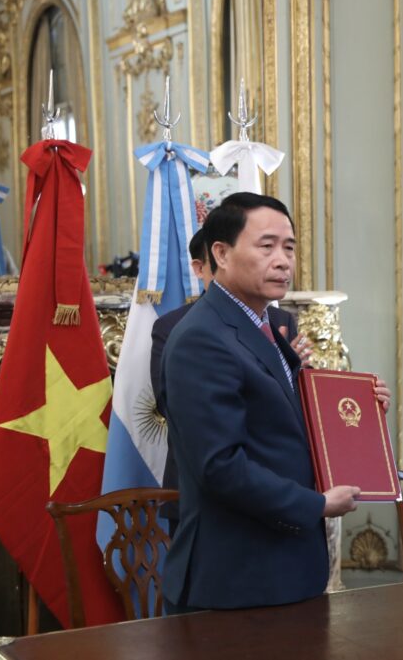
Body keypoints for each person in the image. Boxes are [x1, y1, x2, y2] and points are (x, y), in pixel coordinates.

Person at [161, 191, 390, 612]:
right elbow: (220, 465)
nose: (283, 260)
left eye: (289, 247)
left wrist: (358, 417)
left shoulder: (262, 324)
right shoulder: (203, 338)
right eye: (266, 246)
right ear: (222, 254)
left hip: (282, 569)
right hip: (235, 581)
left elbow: (283, 426)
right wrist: (316, 504)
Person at [150, 228, 311, 536]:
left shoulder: (280, 322)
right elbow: (167, 402)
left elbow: (298, 403)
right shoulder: (175, 327)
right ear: (204, 267)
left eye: (287, 249)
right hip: (207, 494)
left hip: (281, 487)